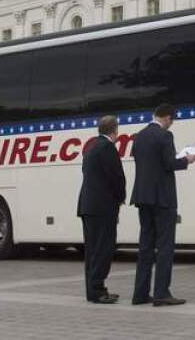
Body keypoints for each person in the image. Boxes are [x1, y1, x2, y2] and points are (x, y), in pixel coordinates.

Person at [130, 103, 195, 306]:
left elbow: (147, 164)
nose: (171, 125)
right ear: (167, 118)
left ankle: (140, 294)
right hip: (163, 198)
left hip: (143, 197)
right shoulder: (165, 136)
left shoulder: (139, 136)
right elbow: (169, 163)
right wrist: (187, 160)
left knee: (145, 246)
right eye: (171, 121)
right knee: (165, 246)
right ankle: (161, 293)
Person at [78, 115, 127, 303]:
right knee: (103, 249)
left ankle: (94, 289)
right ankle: (97, 290)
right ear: (114, 130)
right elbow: (116, 177)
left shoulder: (91, 147)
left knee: (92, 251)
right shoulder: (107, 148)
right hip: (102, 208)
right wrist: (120, 198)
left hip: (88, 206)